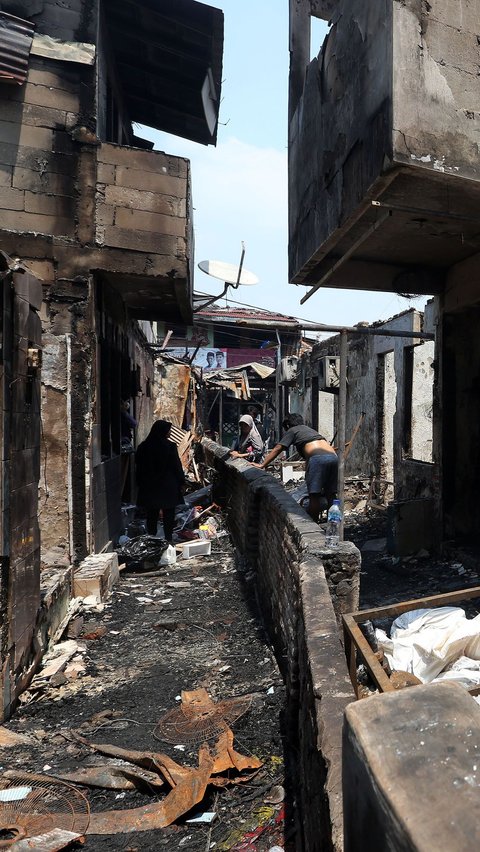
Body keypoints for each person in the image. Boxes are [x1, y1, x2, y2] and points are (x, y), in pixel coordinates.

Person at [252, 413, 338, 523]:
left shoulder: (293, 430)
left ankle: (314, 526)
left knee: (314, 495)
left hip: (317, 459)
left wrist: (263, 464)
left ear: (288, 425)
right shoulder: (310, 431)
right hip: (333, 457)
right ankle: (335, 524)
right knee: (331, 494)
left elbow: (278, 448)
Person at [135, 420, 185, 540]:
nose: (170, 433)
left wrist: (140, 483)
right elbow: (176, 466)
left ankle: (152, 539)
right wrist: (181, 482)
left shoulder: (143, 447)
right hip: (168, 485)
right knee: (169, 515)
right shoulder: (170, 447)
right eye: (169, 431)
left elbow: (138, 466)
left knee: (152, 515)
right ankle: (168, 539)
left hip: (150, 486)